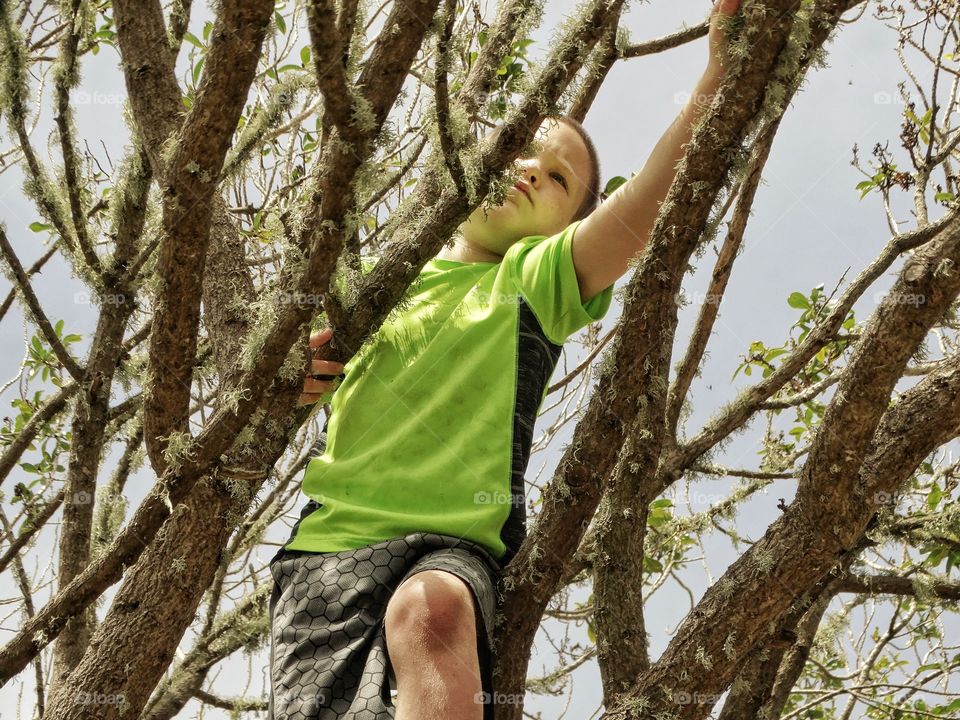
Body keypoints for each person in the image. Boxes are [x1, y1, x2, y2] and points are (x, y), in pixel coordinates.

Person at [267, 2, 740, 718]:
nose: (531, 170)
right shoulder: (378, 290)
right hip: (329, 548)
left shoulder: (533, 279)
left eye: (557, 179)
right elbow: (287, 392)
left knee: (432, 614)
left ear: (569, 223)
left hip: (454, 542)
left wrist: (719, 73)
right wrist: (293, 380)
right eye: (521, 148)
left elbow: (645, 207)